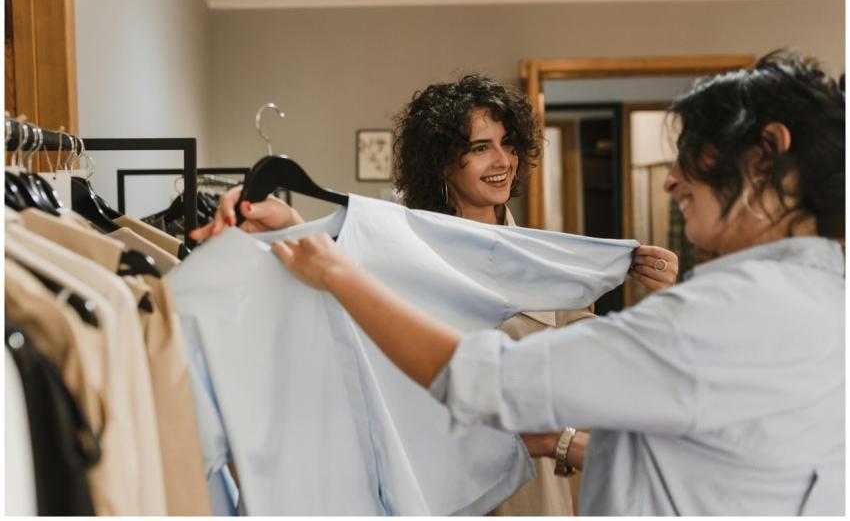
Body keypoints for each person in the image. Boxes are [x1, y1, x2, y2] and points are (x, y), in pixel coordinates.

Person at [270, 50, 846, 515]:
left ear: (765, 156)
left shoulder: (711, 313)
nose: (671, 182)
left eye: (692, 156)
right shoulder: (822, 299)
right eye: (478, 148)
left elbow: (489, 380)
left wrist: (336, 274)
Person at [191, 74, 679, 515]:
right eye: (481, 147)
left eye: (508, 144)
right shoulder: (397, 251)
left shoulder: (543, 269)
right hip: (427, 489)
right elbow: (346, 327)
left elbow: (606, 381)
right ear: (444, 162)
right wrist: (293, 229)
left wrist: (664, 303)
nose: (502, 161)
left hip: (529, 496)